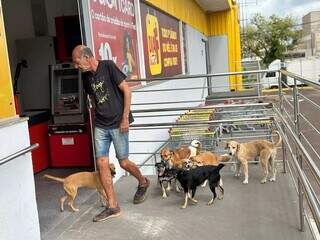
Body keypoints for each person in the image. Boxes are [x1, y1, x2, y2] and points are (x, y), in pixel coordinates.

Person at [72, 45, 150, 222]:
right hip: (101, 125)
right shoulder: (85, 77)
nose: (77, 66)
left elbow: (127, 91)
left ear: (86, 57)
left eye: (78, 62)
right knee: (102, 164)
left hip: (118, 123)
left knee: (123, 162)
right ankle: (113, 206)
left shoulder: (107, 66)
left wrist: (124, 118)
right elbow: (93, 99)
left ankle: (143, 181)